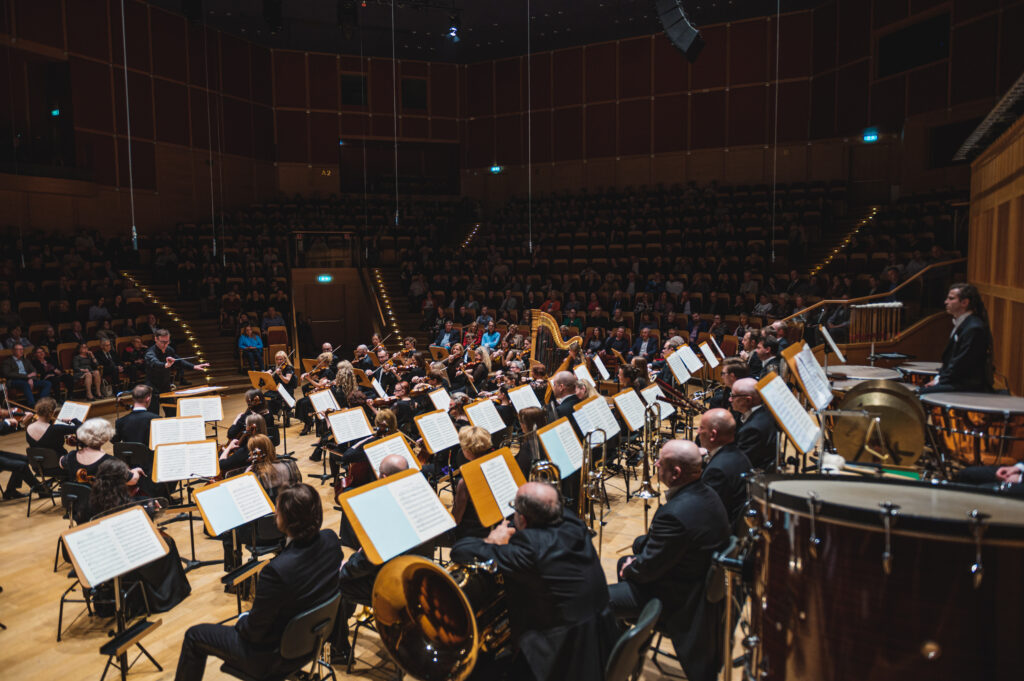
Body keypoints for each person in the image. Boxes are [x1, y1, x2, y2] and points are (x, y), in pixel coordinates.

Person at [451, 482, 619, 681]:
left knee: (475, 671)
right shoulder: (573, 523)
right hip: (600, 639)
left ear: (522, 518)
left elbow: (460, 550)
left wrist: (493, 540)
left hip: (563, 657)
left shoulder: (530, 551)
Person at [174, 483, 341, 681]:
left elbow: (253, 632)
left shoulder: (277, 571)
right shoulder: (331, 540)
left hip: (274, 658)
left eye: (277, 512)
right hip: (312, 642)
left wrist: (242, 619)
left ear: (286, 521)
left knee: (195, 636)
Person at [608, 439, 730, 681]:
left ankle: (611, 660)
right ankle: (619, 642)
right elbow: (668, 547)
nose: (654, 464)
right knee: (626, 559)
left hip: (676, 597)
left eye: (660, 462)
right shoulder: (708, 493)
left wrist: (629, 570)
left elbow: (646, 571)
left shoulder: (675, 514)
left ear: (675, 473)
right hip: (693, 582)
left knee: (597, 599)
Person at [90, 458, 191, 611]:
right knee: (168, 543)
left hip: (107, 552)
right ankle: (167, 595)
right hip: (134, 555)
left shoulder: (93, 501)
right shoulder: (134, 506)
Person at [921, 282, 993, 394]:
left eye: (951, 299)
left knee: (921, 394)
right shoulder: (964, 324)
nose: (946, 302)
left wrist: (940, 381)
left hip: (967, 384)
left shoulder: (973, 328)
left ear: (964, 302)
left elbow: (962, 363)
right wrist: (938, 378)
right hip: (958, 380)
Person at [697, 408, 751, 527]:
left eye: (701, 428)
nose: (698, 432)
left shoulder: (717, 471)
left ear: (713, 435)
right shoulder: (739, 455)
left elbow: (706, 513)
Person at [145, 329, 210, 415]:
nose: (165, 344)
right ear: (156, 339)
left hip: (165, 387)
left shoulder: (169, 349)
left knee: (172, 413)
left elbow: (178, 361)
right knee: (153, 416)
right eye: (162, 342)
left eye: (167, 341)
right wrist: (165, 365)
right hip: (153, 389)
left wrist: (193, 366)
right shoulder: (150, 352)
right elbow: (154, 363)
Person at [450, 426, 493, 539]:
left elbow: (456, 519)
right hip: (495, 524)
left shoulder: (465, 482)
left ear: (467, 451)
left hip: (474, 532)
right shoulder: (498, 465)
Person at [730, 377, 778, 471]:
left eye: (733, 396)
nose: (730, 399)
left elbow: (739, 464)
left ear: (748, 400)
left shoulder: (752, 429)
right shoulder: (766, 411)